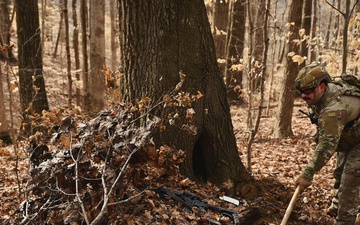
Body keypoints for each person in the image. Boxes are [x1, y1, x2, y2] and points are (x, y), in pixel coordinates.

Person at [294, 63, 360, 225]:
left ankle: (344, 220)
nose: (304, 96)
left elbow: (326, 145)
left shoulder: (333, 110)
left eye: (308, 91)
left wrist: (308, 172)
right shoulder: (325, 95)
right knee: (339, 173)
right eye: (301, 92)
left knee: (350, 182)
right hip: (351, 133)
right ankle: (336, 207)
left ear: (322, 86)